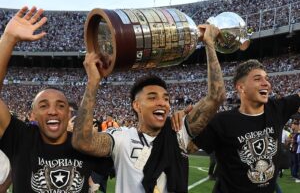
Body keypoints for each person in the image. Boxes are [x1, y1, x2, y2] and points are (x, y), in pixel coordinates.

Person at [72, 23, 226, 192]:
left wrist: (209, 44)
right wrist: (93, 83)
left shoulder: (178, 134)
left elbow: (216, 97)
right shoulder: (121, 138)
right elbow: (83, 142)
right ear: (136, 105)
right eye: (152, 98)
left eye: (166, 99)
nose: (162, 102)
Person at [0, 6, 113, 192]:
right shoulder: (21, 139)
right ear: (33, 115)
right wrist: (8, 39)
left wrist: (93, 81)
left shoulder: (83, 145)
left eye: (61, 105)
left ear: (69, 114)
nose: (53, 110)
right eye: (43, 106)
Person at [188, 59, 300, 193]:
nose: (266, 84)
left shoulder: (277, 109)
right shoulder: (222, 122)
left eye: (267, 78)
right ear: (241, 87)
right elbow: (188, 148)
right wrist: (184, 121)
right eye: (258, 79)